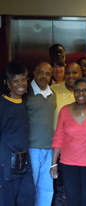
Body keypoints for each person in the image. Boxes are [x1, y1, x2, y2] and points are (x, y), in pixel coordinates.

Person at [50, 78, 86, 206]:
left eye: (84, 90)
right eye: (77, 91)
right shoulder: (64, 111)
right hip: (68, 163)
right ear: (73, 93)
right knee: (72, 200)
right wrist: (54, 164)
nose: (80, 93)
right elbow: (58, 138)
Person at [0, 61, 35, 206]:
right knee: (7, 200)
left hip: (24, 161)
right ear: (8, 83)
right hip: (6, 162)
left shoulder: (25, 102)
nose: (21, 84)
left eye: (23, 79)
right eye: (15, 81)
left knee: (27, 198)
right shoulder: (2, 104)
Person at [50, 62, 82, 206]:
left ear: (80, 74)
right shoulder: (53, 91)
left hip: (81, 151)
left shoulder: (85, 93)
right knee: (58, 189)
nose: (71, 76)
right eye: (68, 72)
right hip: (58, 149)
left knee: (78, 189)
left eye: (74, 73)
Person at [25, 62, 56, 206]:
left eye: (48, 74)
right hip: (31, 148)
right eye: (41, 72)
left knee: (47, 189)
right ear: (34, 72)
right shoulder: (26, 92)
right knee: (30, 188)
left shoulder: (53, 94)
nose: (44, 76)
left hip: (49, 149)